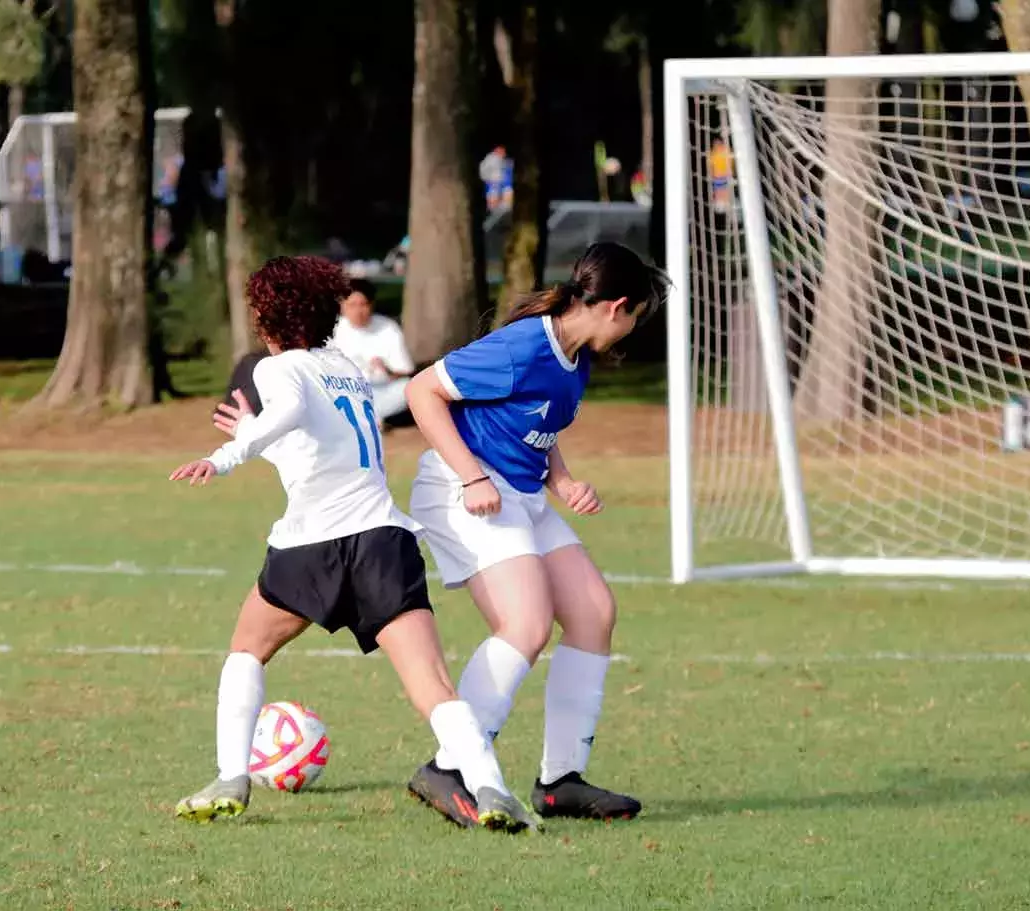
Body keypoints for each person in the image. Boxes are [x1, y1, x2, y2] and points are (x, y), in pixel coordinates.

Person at [169, 255, 535, 833]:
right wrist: (253, 435)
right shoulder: (344, 365)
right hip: (383, 543)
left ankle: (230, 778)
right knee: (432, 684)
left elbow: (287, 412)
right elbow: (316, 448)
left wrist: (228, 453)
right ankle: (491, 788)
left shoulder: (276, 369)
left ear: (268, 315)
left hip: (311, 547)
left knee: (246, 650)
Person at [401, 242, 668, 825]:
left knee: (594, 611)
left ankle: (560, 781)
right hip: (461, 486)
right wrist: (470, 475)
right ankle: (449, 768)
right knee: (524, 624)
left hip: (518, 492)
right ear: (616, 306)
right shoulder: (525, 343)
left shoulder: (576, 358)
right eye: (635, 319)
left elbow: (534, 424)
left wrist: (564, 481)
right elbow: (422, 390)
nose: (629, 333)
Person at [332, 278, 415, 427]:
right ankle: (369, 419)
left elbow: (405, 371)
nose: (358, 311)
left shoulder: (387, 327)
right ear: (342, 306)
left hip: (381, 390)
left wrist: (387, 370)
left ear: (371, 304)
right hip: (348, 391)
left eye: (362, 304)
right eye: (352, 305)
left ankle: (366, 418)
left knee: (407, 388)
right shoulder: (334, 330)